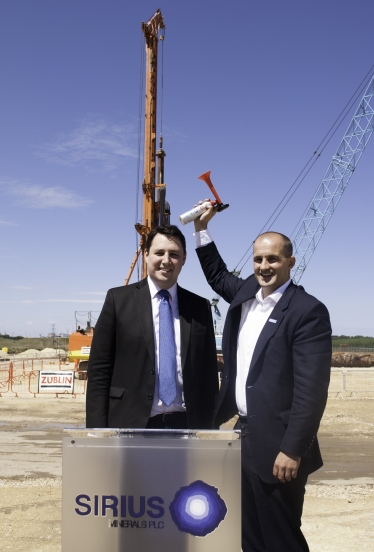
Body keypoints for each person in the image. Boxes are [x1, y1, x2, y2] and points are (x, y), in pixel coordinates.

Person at [194, 205, 331, 552]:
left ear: (290, 262)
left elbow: (311, 391)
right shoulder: (245, 297)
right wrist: (201, 229)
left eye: (272, 259)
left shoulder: (307, 311)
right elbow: (216, 274)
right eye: (258, 260)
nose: (263, 267)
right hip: (243, 435)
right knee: (249, 534)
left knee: (281, 536)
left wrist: (292, 448)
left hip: (279, 445)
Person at [86, 224, 218, 430]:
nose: (166, 260)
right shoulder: (118, 301)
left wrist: (211, 429)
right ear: (146, 255)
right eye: (159, 253)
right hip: (130, 424)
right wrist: (96, 432)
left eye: (174, 254)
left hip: (187, 425)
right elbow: (99, 373)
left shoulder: (199, 307)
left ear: (184, 259)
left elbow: (209, 375)